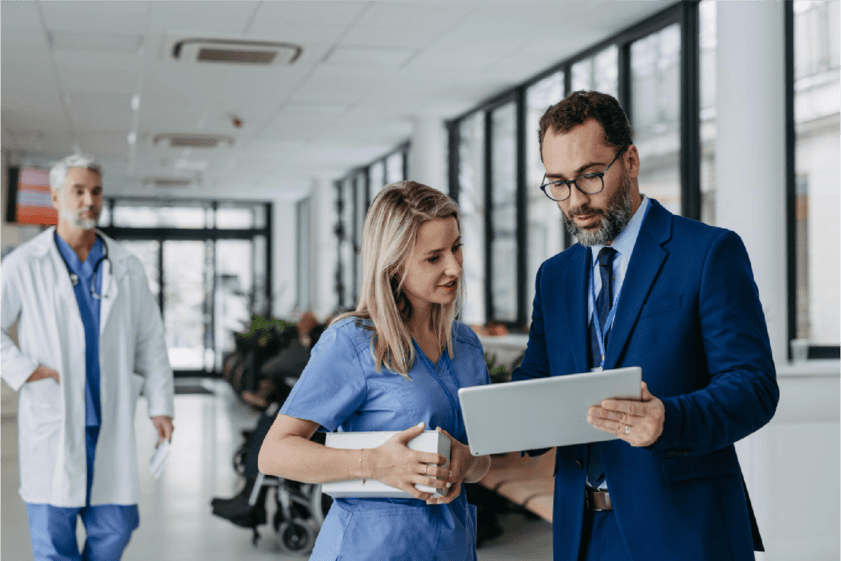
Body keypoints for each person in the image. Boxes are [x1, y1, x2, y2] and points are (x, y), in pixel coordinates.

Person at [511, 91, 778, 561]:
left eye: (590, 177)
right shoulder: (553, 276)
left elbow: (753, 387)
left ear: (630, 160)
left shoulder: (708, 253)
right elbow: (534, 378)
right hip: (580, 533)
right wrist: (507, 422)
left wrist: (669, 420)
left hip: (684, 530)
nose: (575, 201)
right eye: (558, 184)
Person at [258, 181, 492, 560]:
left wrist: (466, 462)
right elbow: (273, 453)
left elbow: (482, 462)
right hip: (368, 548)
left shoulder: (464, 345)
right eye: (434, 257)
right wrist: (373, 463)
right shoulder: (351, 341)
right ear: (395, 264)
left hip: (451, 546)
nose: (454, 266)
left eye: (456, 247)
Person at [0, 154, 175, 560]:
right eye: (78, 191)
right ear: (55, 198)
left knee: (116, 526)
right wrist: (26, 371)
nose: (88, 200)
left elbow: (151, 340)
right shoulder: (24, 264)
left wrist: (161, 407)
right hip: (54, 416)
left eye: (95, 191)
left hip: (107, 418)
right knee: (53, 536)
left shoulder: (127, 265)